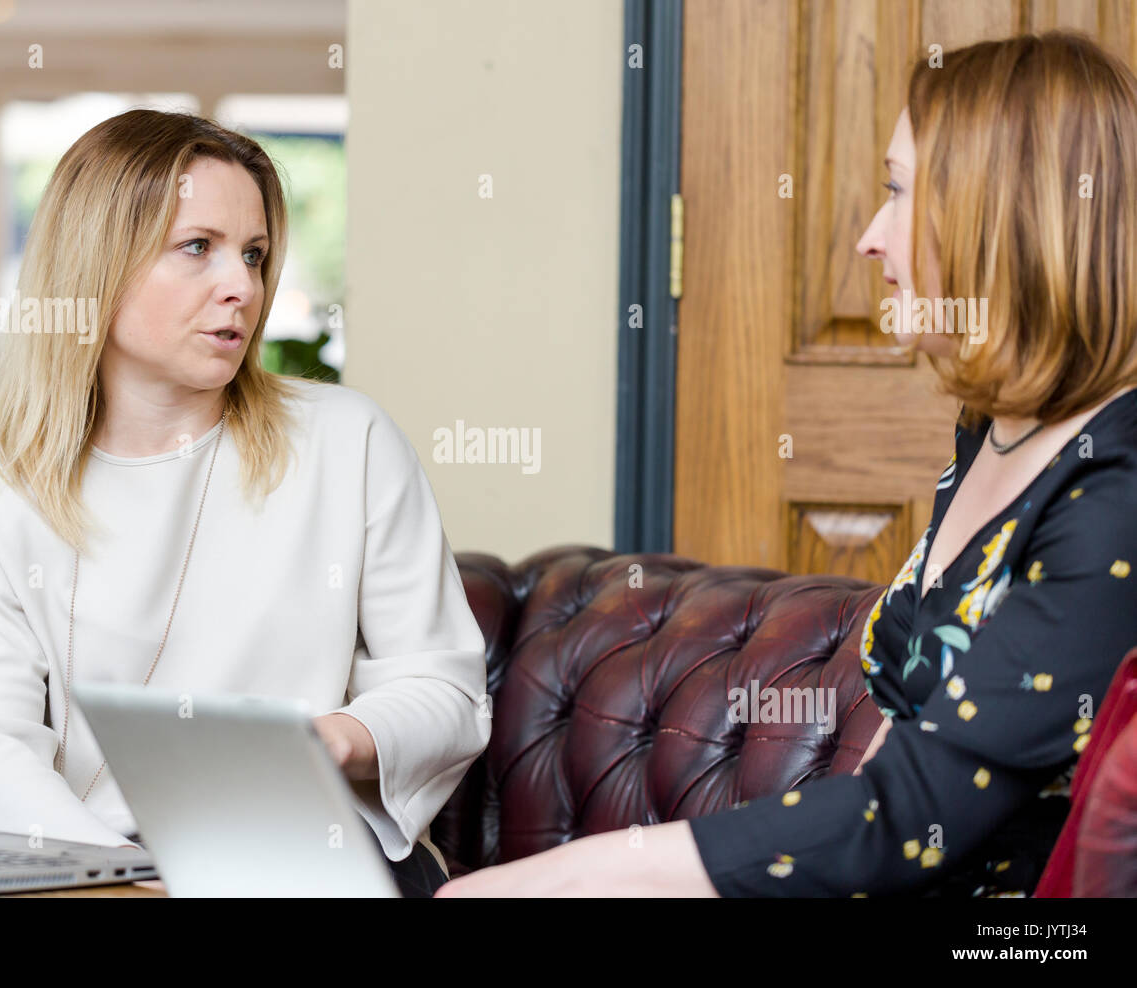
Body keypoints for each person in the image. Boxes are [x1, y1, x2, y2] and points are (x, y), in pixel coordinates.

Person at [437, 31, 1137, 897]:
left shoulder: (1115, 493)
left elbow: (903, 817)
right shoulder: (993, 427)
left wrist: (544, 882)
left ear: (1006, 214)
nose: (869, 240)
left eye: (898, 193)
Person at [0, 109, 489, 898]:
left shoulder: (347, 440)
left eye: (254, 255)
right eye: (199, 248)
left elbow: (448, 694)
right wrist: (135, 881)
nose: (243, 286)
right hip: (99, 875)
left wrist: (337, 740)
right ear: (96, 265)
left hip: (316, 862)